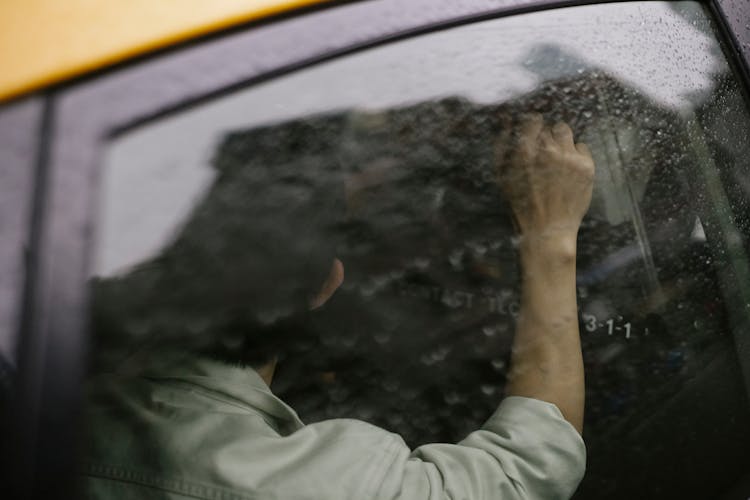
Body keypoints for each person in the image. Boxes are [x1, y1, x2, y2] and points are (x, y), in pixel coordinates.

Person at [82, 113, 594, 500]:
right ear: (329, 283)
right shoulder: (316, 484)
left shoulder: (42, 392)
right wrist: (550, 235)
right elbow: (528, 466)